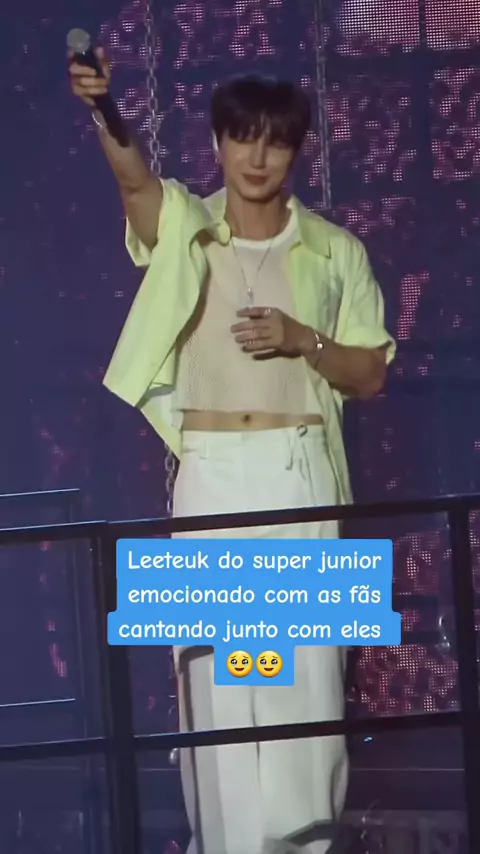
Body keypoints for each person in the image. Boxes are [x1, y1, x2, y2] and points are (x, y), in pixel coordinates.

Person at [69, 48, 396, 854]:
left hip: (299, 471)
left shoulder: (334, 249)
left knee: (300, 675)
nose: (257, 157)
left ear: (298, 151)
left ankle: (304, 844)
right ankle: (223, 845)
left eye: (276, 142)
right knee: (217, 677)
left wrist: (302, 338)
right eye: (242, 138)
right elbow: (135, 184)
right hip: (211, 474)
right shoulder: (190, 227)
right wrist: (105, 109)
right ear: (217, 142)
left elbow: (371, 373)